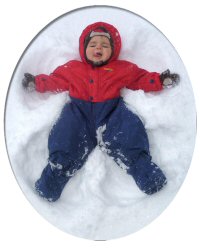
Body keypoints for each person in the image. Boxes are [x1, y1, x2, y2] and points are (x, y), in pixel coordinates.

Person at [22, 22, 180, 202]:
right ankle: (49, 186)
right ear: (84, 48)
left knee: (129, 134)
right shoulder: (73, 68)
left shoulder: (121, 68)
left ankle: (150, 179)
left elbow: (139, 78)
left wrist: (159, 80)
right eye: (93, 44)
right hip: (78, 114)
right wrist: (37, 83)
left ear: (113, 51)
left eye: (105, 45)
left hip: (112, 113)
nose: (99, 48)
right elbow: (55, 80)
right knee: (65, 138)